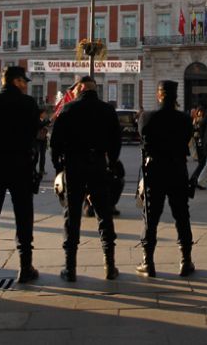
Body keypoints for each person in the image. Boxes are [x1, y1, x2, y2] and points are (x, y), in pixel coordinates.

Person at [50, 75, 122, 282]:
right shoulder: (107, 110)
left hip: (74, 166)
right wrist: (111, 161)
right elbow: (116, 141)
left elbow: (55, 143)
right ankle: (110, 266)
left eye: (74, 88)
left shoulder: (68, 110)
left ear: (80, 87)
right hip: (98, 164)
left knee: (72, 216)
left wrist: (58, 167)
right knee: (104, 215)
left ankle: (70, 268)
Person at [0, 66, 42, 285]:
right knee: (23, 217)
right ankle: (25, 268)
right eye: (24, 81)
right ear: (16, 81)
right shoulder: (28, 103)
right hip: (20, 167)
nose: (26, 85)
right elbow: (34, 132)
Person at [136, 80, 196, 278]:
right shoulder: (185, 119)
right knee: (182, 216)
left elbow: (143, 140)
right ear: (175, 96)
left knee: (151, 217)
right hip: (178, 169)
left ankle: (148, 262)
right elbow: (187, 139)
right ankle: (186, 261)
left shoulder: (147, 117)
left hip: (154, 171)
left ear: (159, 95)